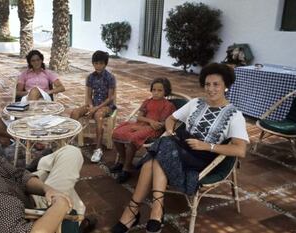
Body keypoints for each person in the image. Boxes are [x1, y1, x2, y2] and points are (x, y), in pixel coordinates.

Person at [112, 63, 249, 233]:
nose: (211, 89)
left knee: (160, 149)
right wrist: (169, 131)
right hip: (181, 148)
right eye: (207, 84)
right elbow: (171, 119)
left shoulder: (234, 115)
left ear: (226, 86)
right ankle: (155, 211)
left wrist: (206, 145)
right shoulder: (196, 103)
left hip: (203, 157)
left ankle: (132, 211)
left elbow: (239, 150)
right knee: (162, 150)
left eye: (216, 84)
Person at [110, 78, 176, 183]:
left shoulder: (168, 105)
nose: (156, 93)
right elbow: (139, 117)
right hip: (142, 124)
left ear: (166, 91)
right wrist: (149, 121)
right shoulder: (147, 101)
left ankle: (126, 169)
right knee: (116, 133)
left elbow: (161, 124)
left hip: (154, 130)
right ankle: (123, 160)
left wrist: (150, 124)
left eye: (160, 90)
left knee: (133, 138)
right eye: (154, 90)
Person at [70, 50, 116, 163]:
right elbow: (89, 95)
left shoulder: (110, 77)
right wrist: (91, 106)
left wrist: (96, 108)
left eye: (100, 63)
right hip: (93, 104)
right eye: (95, 63)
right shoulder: (90, 77)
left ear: (105, 64)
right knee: (74, 113)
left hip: (107, 106)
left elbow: (110, 98)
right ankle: (69, 142)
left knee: (98, 115)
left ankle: (98, 149)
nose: (98, 66)